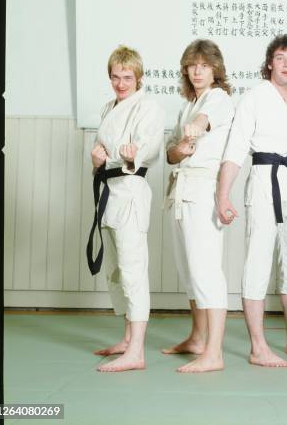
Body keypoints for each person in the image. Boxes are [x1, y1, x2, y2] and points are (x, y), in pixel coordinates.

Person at [216, 34, 287, 367]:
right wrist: (223, 195)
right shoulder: (254, 97)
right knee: (258, 261)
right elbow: (236, 148)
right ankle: (258, 346)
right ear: (269, 63)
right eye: (281, 57)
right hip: (265, 182)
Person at [89, 45, 165, 372]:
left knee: (134, 269)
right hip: (109, 191)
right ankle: (126, 338)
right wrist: (96, 160)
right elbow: (101, 150)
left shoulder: (148, 107)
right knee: (117, 271)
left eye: (127, 77)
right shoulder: (109, 107)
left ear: (139, 77)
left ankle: (136, 352)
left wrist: (132, 153)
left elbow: (148, 148)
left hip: (131, 192)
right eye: (116, 77)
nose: (121, 83)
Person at [162, 40, 234, 373]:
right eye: (192, 65)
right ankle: (197, 338)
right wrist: (181, 147)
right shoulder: (186, 104)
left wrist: (196, 128)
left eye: (205, 65)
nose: (198, 71)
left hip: (204, 189)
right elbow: (170, 154)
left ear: (215, 69)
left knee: (206, 270)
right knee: (189, 270)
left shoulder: (218, 99)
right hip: (181, 187)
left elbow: (205, 120)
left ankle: (214, 353)